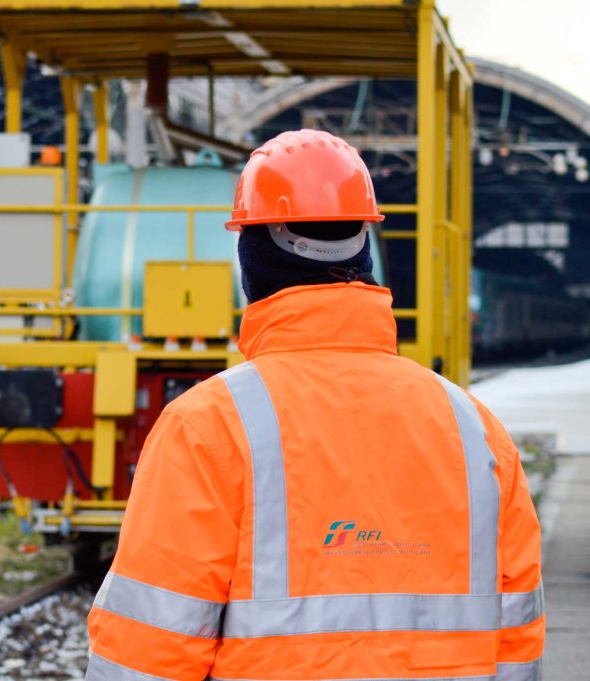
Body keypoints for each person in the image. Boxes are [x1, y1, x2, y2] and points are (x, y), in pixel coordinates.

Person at [85, 129, 544, 681]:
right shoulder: (475, 429)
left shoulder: (208, 426)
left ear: (249, 259)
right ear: (365, 250)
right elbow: (518, 645)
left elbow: (146, 652)